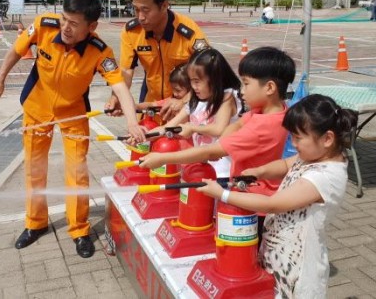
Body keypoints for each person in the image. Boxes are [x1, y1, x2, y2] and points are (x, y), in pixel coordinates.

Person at [0, 0, 145, 256]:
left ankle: (79, 230)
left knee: (77, 172)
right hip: (37, 108)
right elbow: (16, 51)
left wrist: (132, 123)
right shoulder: (43, 26)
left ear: (91, 26)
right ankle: (34, 224)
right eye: (64, 19)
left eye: (74, 23)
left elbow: (120, 87)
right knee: (35, 169)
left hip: (73, 115)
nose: (65, 28)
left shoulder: (99, 51)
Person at [195, 94, 356, 297]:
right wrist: (259, 171)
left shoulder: (325, 176)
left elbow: (272, 204)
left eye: (298, 137)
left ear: (327, 139)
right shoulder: (311, 156)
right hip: (277, 255)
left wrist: (223, 194)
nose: (294, 143)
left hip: (298, 269)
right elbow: (285, 164)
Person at [139, 46, 295, 231]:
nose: (241, 90)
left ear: (269, 87)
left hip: (254, 203)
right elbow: (236, 125)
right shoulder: (267, 111)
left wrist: (162, 158)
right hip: (249, 194)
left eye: (246, 84)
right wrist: (222, 143)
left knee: (241, 253)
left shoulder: (261, 126)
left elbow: (213, 149)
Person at [107, 0, 209, 121]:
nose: (140, 17)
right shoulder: (131, 32)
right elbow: (126, 71)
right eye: (135, 9)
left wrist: (184, 101)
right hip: (152, 107)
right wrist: (116, 97)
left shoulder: (188, 32)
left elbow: (210, 72)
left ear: (164, 6)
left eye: (145, 10)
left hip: (184, 110)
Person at [148, 48, 242, 179]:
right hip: (201, 169)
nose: (193, 86)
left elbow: (219, 128)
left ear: (214, 79)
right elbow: (167, 127)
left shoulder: (226, 98)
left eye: (197, 81)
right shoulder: (195, 101)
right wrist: (144, 136)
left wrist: (192, 128)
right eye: (191, 81)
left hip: (223, 173)